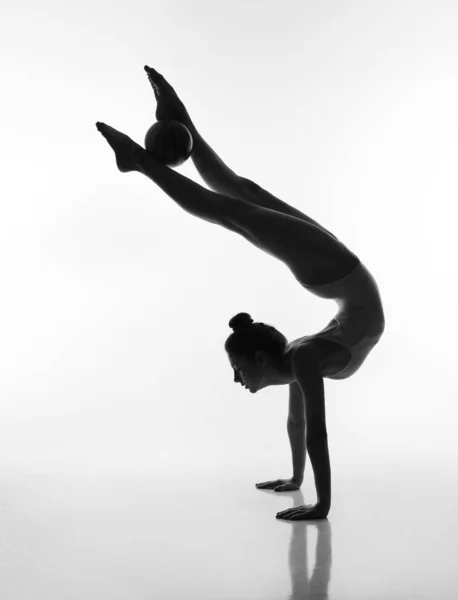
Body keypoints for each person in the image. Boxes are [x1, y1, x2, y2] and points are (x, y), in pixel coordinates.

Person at [95, 66, 385, 521]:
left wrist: (296, 480)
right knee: (229, 208)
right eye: (238, 369)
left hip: (341, 277)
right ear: (261, 359)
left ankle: (177, 124)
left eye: (235, 370)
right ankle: (140, 159)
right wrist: (318, 501)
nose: (238, 379)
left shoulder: (299, 358)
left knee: (240, 196)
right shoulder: (303, 359)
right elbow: (313, 431)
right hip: (334, 274)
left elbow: (298, 423)